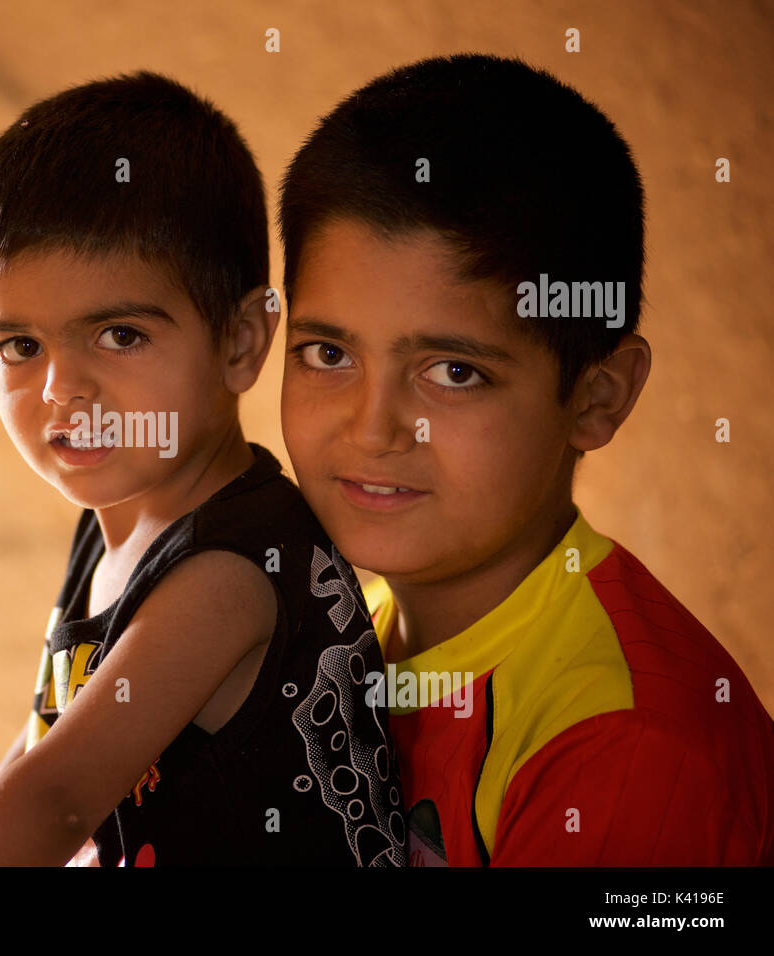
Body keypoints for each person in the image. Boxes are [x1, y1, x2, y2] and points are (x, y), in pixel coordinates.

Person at [277, 53, 774, 865]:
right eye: (328, 353)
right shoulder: (347, 639)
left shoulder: (625, 744)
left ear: (597, 396)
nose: (373, 430)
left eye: (454, 372)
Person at [0, 71, 405, 866]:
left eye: (118, 335)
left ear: (241, 343)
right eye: (19, 345)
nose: (60, 388)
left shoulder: (228, 571)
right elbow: (37, 754)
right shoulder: (114, 524)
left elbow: (53, 801)